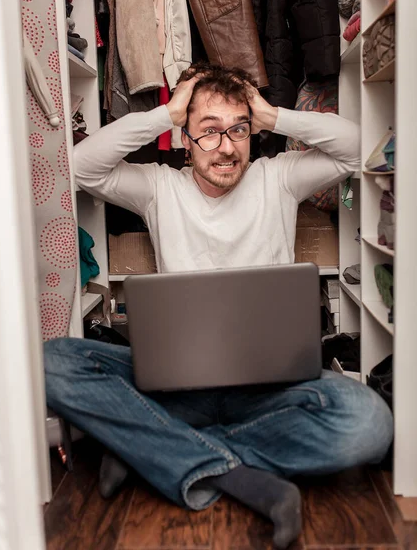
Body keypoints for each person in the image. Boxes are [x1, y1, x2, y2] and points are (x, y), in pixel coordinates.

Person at [44, 63, 393, 549]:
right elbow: (80, 166)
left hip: (269, 389)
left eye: (238, 130)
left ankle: (150, 447)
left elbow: (360, 147)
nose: (226, 146)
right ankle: (235, 472)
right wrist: (165, 112)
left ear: (253, 133)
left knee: (369, 424)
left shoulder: (280, 178)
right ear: (184, 139)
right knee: (53, 361)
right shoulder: (158, 187)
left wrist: (275, 116)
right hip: (173, 388)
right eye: (208, 132)